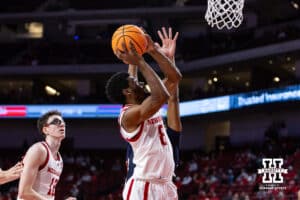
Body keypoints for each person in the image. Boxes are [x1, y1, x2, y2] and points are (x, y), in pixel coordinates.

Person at [105, 27, 182, 199]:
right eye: (135, 83)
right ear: (127, 92)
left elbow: (175, 79)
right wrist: (140, 61)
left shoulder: (144, 104)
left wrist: (153, 51)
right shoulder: (128, 117)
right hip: (144, 186)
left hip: (166, 185)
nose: (140, 83)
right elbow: (161, 96)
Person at [125, 27, 182, 181]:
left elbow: (173, 99)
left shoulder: (169, 135)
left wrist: (169, 60)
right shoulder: (134, 128)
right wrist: (135, 57)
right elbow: (132, 89)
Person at [17, 110, 75, 200]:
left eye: (63, 122)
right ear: (45, 129)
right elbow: (24, 192)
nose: (62, 124)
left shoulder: (59, 160)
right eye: (56, 122)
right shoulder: (38, 150)